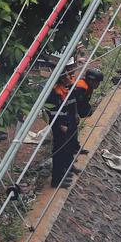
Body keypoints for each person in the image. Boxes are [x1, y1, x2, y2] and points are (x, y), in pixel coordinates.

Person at [45, 60, 90, 189]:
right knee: (60, 152)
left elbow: (73, 101)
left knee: (69, 147)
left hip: (70, 121)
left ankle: (68, 169)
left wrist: (75, 114)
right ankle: (57, 180)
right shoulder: (54, 93)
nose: (68, 78)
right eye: (65, 77)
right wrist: (60, 125)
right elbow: (53, 112)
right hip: (60, 126)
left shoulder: (67, 88)